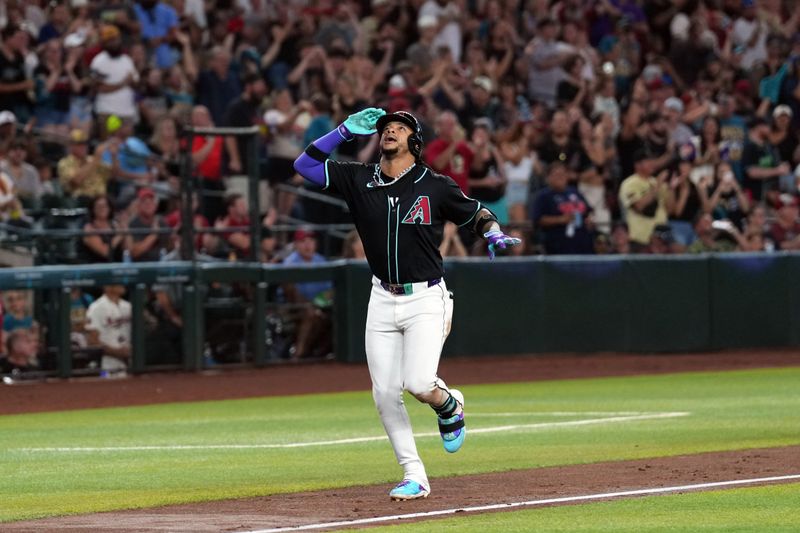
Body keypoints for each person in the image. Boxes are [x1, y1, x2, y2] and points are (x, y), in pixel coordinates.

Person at [293, 108, 520, 500]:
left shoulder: (435, 184)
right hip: (382, 296)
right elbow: (305, 165)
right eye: (386, 127)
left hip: (427, 297)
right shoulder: (359, 177)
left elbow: (477, 213)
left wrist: (494, 232)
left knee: (417, 383)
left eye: (400, 127)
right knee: (383, 392)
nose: (390, 131)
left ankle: (449, 405)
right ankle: (414, 473)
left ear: (415, 142)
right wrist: (343, 131)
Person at [86, 284, 131, 373]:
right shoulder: (96, 308)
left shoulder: (128, 306)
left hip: (129, 360)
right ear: (107, 287)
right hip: (105, 363)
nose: (123, 285)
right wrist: (117, 352)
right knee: (105, 384)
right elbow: (92, 341)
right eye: (118, 282)